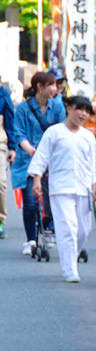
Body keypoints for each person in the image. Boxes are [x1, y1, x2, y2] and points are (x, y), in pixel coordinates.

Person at [27, 96, 96, 283]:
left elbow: (91, 164)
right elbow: (41, 157)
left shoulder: (88, 136)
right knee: (68, 228)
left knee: (83, 230)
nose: (82, 114)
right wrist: (36, 179)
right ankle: (70, 269)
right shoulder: (54, 132)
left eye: (86, 111)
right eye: (78, 109)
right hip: (60, 188)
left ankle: (71, 258)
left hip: (83, 188)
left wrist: (94, 185)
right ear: (68, 108)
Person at [11, 70, 66, 255]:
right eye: (51, 85)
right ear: (39, 87)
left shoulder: (57, 106)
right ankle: (31, 239)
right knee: (30, 201)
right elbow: (18, 133)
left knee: (51, 198)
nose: (54, 88)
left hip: (52, 160)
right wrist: (33, 151)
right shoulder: (23, 109)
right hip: (28, 159)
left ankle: (49, 229)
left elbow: (62, 131)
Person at [0, 77, 15, 239]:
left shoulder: (3, 96)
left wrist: (12, 147)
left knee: (1, 183)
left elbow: (10, 122)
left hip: (0, 143)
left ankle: (0, 218)